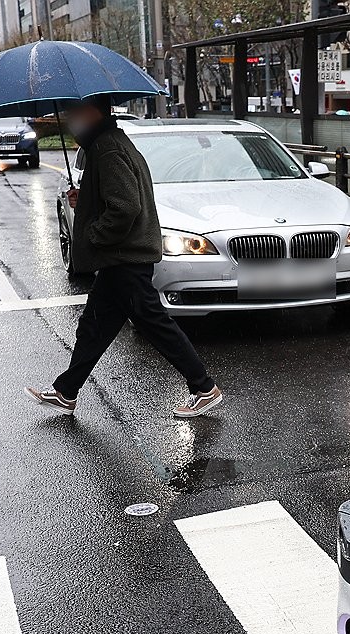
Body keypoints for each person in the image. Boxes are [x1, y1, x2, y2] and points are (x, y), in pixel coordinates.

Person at [26, 96, 223, 419]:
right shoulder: (108, 142)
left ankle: (203, 387)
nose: (69, 117)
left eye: (74, 112)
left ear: (93, 112)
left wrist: (94, 235)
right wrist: (84, 199)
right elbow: (116, 198)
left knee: (154, 323)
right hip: (121, 258)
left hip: (125, 257)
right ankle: (66, 391)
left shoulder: (107, 148)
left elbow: (125, 207)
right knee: (94, 326)